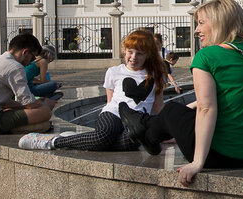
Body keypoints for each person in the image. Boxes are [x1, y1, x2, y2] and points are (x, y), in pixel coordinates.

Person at [119, 0, 243, 186]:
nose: (196, 30)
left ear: (220, 23)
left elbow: (207, 108)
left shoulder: (207, 56)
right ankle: (146, 128)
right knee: (182, 111)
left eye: (202, 23)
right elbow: (236, 96)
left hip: (224, 156)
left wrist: (197, 163)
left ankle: (146, 133)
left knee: (172, 110)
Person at [18, 30, 167, 151]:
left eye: (139, 53)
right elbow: (110, 102)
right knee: (103, 136)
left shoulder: (156, 75)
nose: (133, 57)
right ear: (125, 51)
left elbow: (158, 106)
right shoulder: (114, 71)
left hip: (138, 121)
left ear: (148, 55)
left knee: (131, 144)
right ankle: (53, 141)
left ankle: (79, 139)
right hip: (114, 113)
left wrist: (166, 133)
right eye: (130, 52)